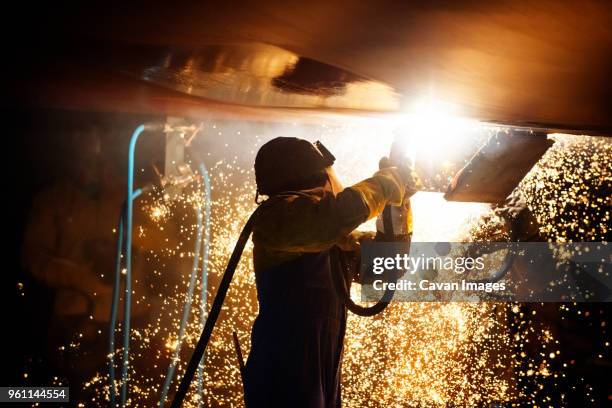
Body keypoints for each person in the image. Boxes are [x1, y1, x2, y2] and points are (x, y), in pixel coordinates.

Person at [244, 137, 417, 407]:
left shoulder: (332, 240)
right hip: (282, 381)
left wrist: (398, 203)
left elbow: (389, 265)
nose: (337, 182)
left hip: (320, 381)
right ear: (314, 178)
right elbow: (332, 218)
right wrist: (386, 184)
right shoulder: (275, 221)